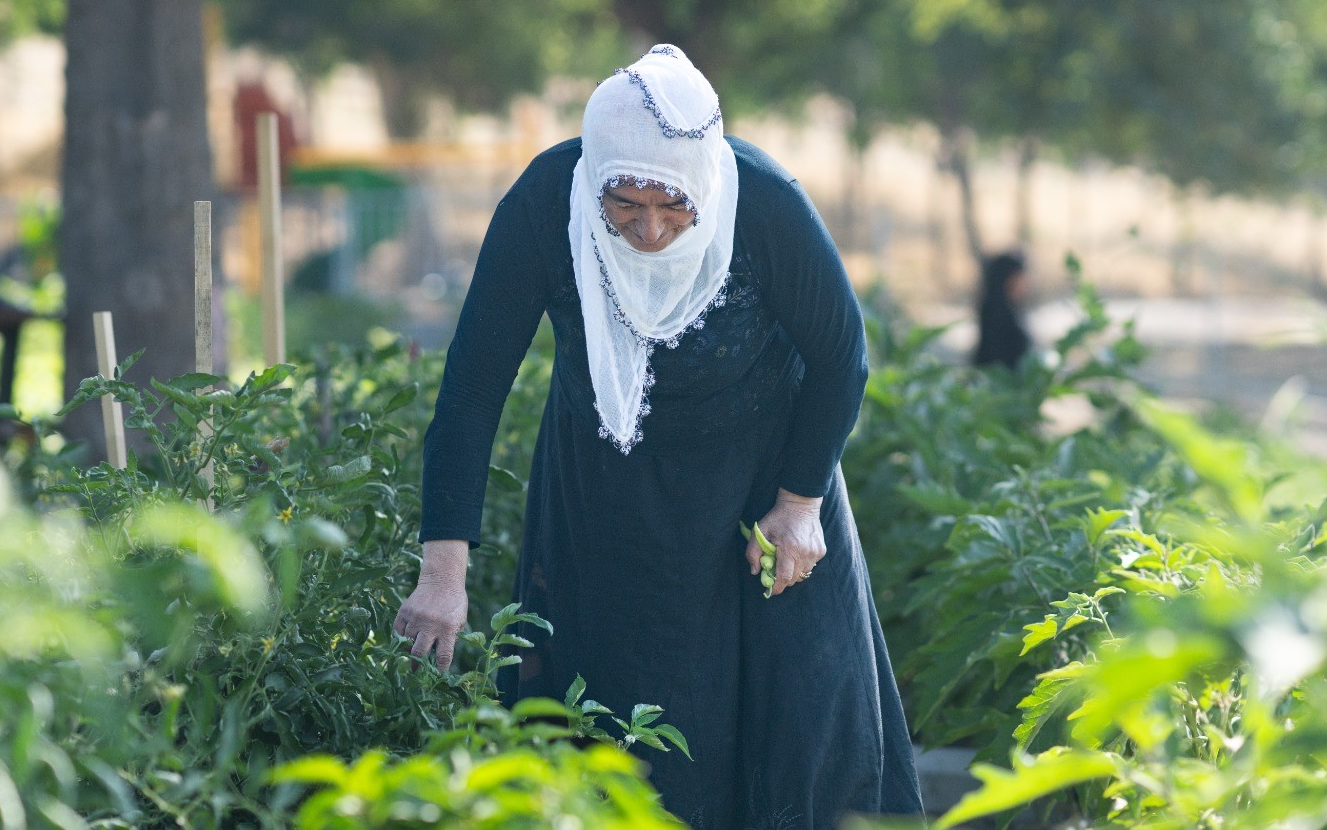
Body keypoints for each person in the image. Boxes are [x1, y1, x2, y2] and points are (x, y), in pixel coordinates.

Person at [393, 45, 923, 829]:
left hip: (764, 490)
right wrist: (443, 574)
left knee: (803, 715)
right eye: (625, 204)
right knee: (617, 732)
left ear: (705, 179)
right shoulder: (548, 203)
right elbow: (472, 391)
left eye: (674, 206)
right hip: (605, 502)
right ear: (594, 175)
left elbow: (842, 356)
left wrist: (801, 502)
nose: (648, 231)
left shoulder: (765, 203)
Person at [972, 250, 1032, 371]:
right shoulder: (994, 310)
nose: (1025, 283)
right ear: (1009, 279)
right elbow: (994, 355)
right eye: (1020, 277)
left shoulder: (1013, 308)